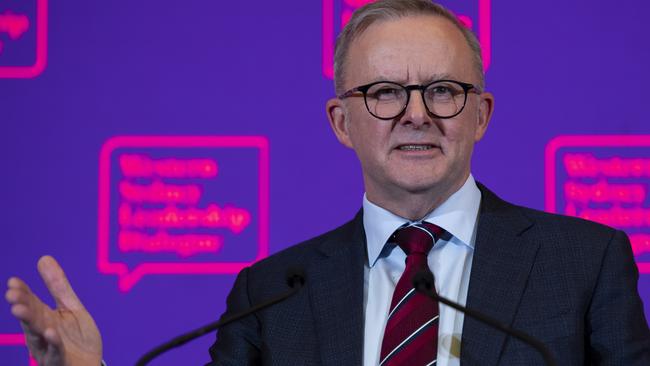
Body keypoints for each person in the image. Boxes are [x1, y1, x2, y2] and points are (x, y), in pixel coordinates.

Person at [5, 1, 650, 365]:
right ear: (342, 122)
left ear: (480, 114)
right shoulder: (271, 293)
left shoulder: (585, 263)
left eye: (443, 90)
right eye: (385, 92)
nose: (416, 114)